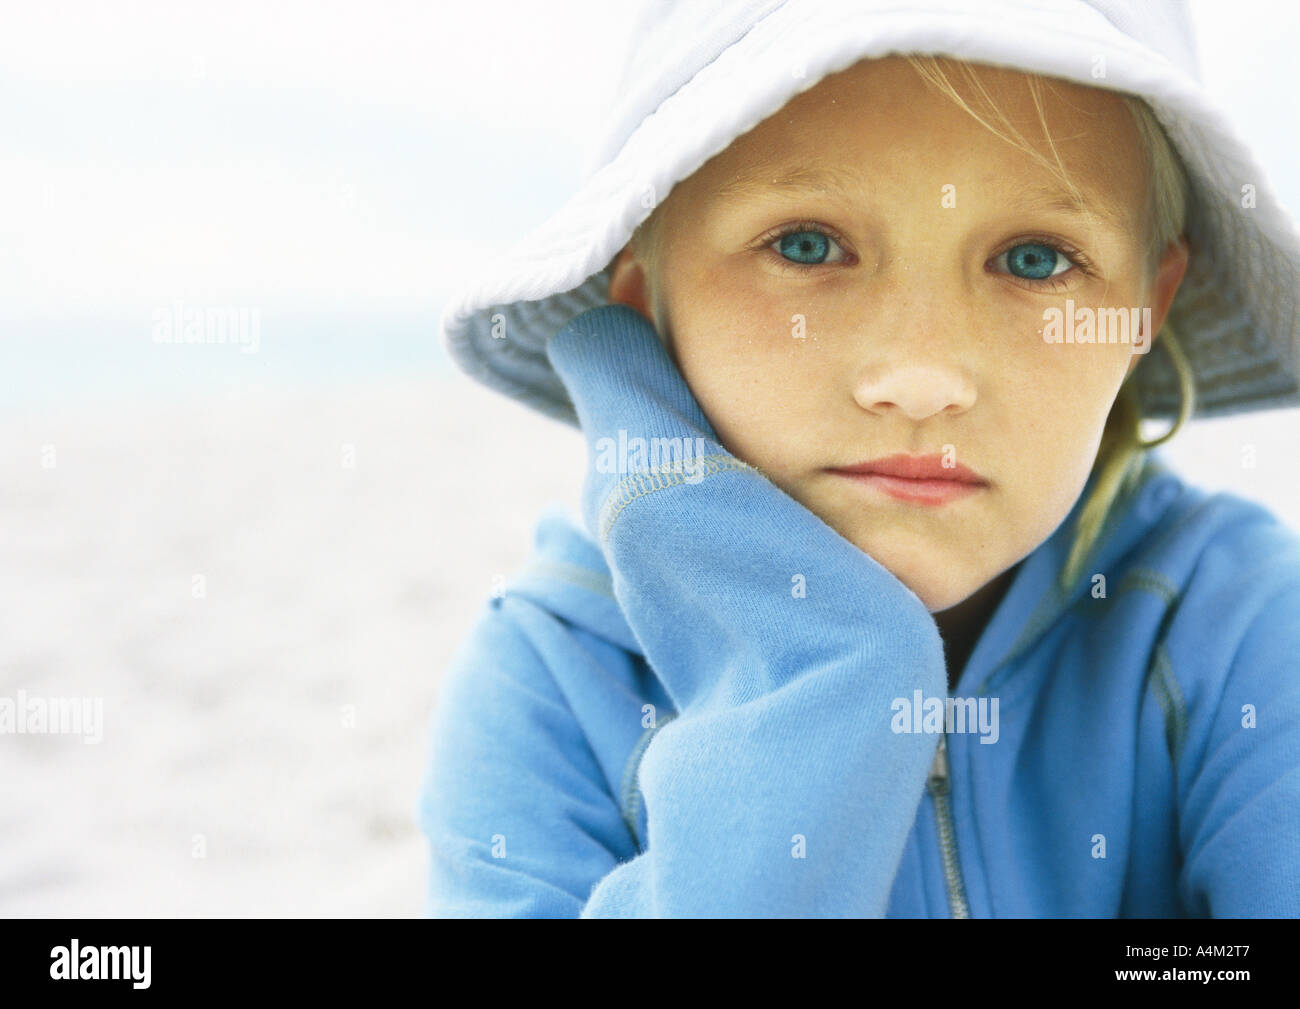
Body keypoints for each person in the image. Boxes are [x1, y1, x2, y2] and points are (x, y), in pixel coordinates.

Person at [418, 0, 1300, 916]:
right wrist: (833, 670)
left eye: (1036, 259)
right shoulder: (551, 679)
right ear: (644, 305)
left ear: (1144, 312)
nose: (921, 378)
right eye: (808, 246)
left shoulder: (1234, 622)